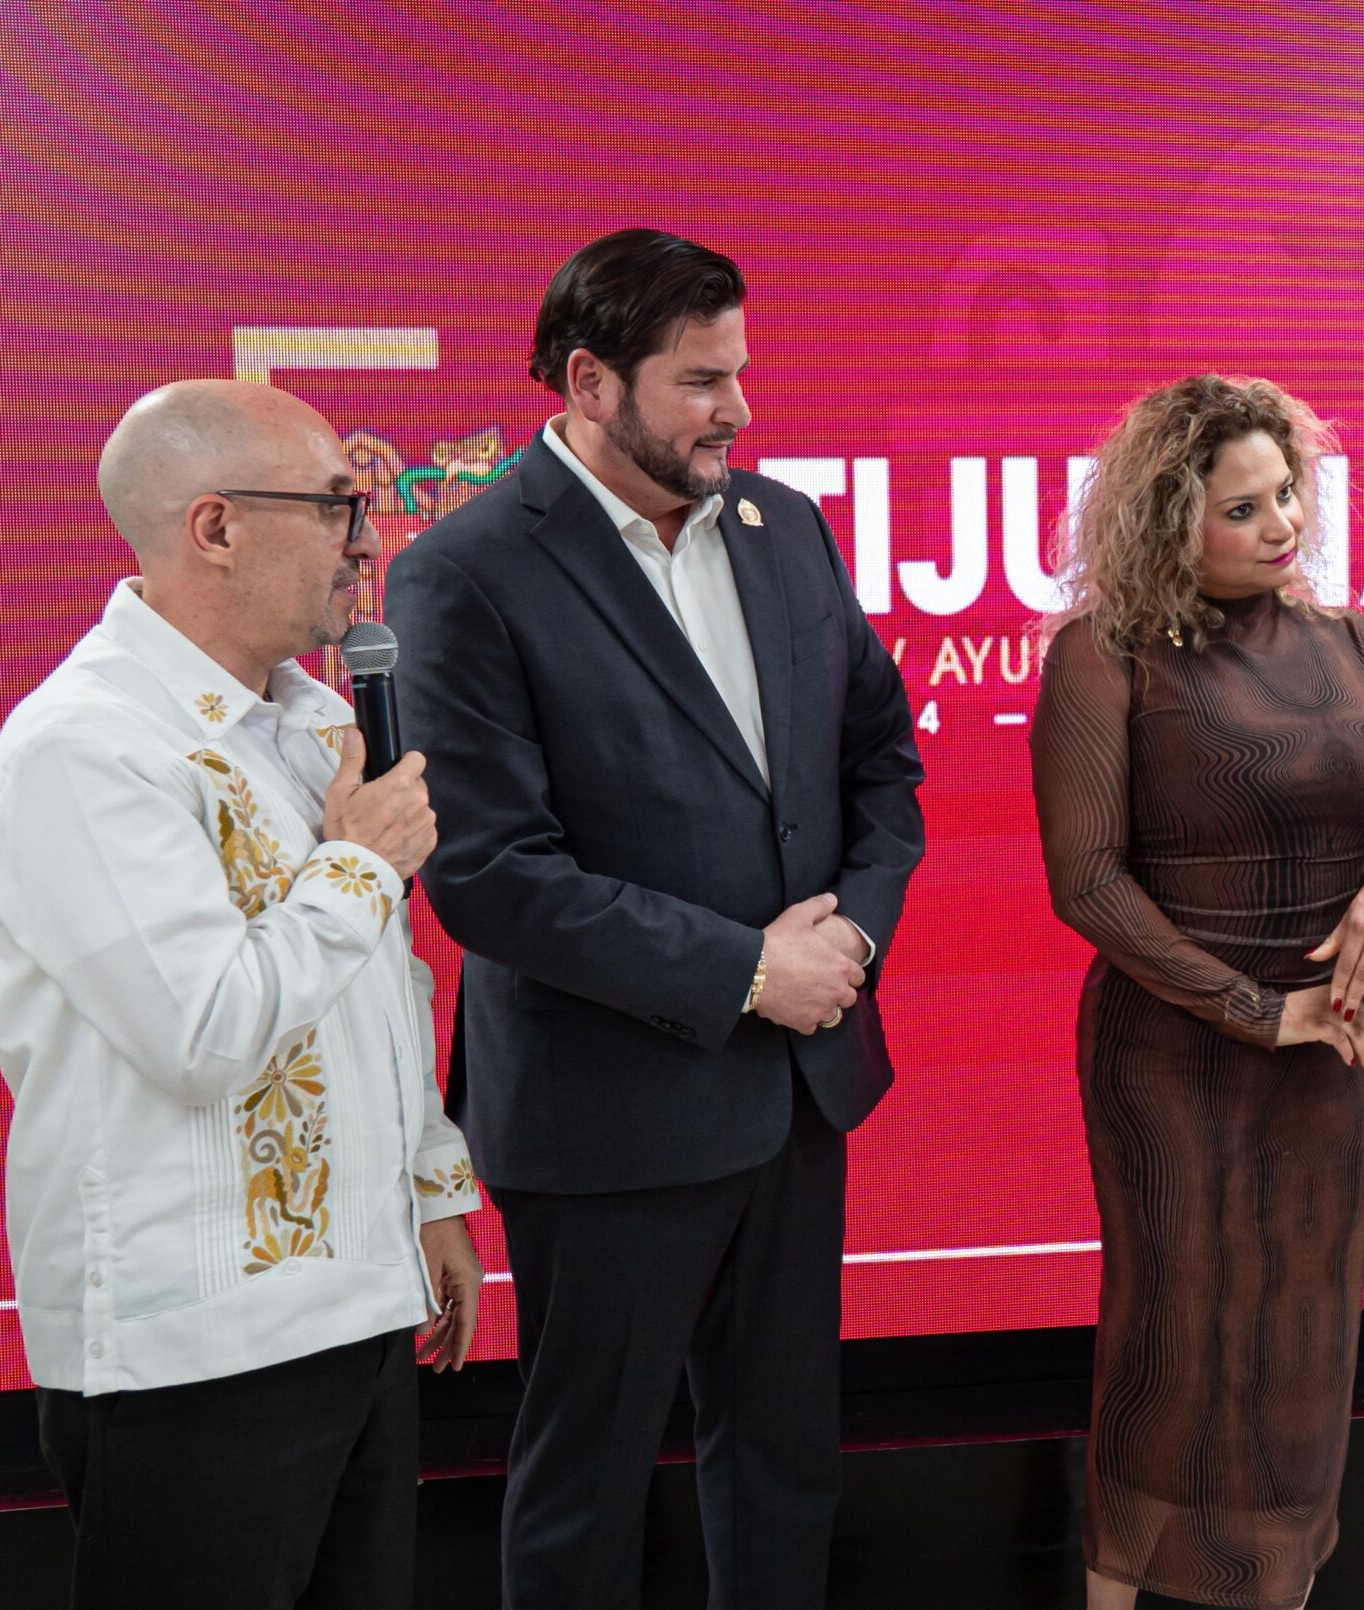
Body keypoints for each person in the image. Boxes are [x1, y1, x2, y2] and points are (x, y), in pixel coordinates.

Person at [386, 228, 925, 1609]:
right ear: (589, 381)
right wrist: (748, 969)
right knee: (588, 1487)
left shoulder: (784, 526)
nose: (738, 408)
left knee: (785, 1460)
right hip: (607, 1110)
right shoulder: (465, 569)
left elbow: (880, 761)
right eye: (700, 380)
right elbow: (489, 873)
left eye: (738, 372)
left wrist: (849, 941)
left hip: (797, 1088)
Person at [0, 379, 484, 1610]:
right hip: (196, 1349)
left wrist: (429, 1181)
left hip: (357, 1307)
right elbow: (202, 1031)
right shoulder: (86, 746)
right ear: (216, 526)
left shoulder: (307, 717)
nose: (367, 541)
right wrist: (358, 865)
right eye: (338, 507)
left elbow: (378, 983)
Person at [1030, 374, 1364, 1610]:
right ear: (1169, 522)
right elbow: (1086, 883)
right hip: (1171, 1052)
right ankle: (1118, 1592)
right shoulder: (1100, 654)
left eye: (1286, 495)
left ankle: (1274, 1590)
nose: (1282, 526)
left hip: (1331, 1054)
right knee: (1172, 1337)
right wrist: (1256, 1009)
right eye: (1241, 508)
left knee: (1303, 1339)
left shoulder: (1348, 640)